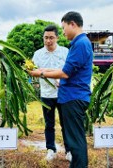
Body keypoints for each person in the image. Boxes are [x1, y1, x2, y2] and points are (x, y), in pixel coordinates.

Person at [29, 11, 93, 167]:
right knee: (70, 135)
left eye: (64, 28)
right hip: (66, 96)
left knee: (75, 140)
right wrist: (42, 71)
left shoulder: (80, 44)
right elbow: (65, 70)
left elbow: (64, 73)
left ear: (72, 24)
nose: (63, 32)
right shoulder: (79, 44)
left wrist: (41, 73)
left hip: (73, 97)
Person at [32, 25, 69, 161]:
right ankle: (51, 149)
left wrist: (45, 71)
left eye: (51, 38)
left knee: (66, 124)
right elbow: (32, 71)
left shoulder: (65, 52)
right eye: (46, 38)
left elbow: (68, 71)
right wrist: (50, 72)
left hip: (64, 93)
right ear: (43, 38)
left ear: (57, 38)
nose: (48, 41)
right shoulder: (38, 54)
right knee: (49, 124)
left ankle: (69, 150)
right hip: (46, 94)